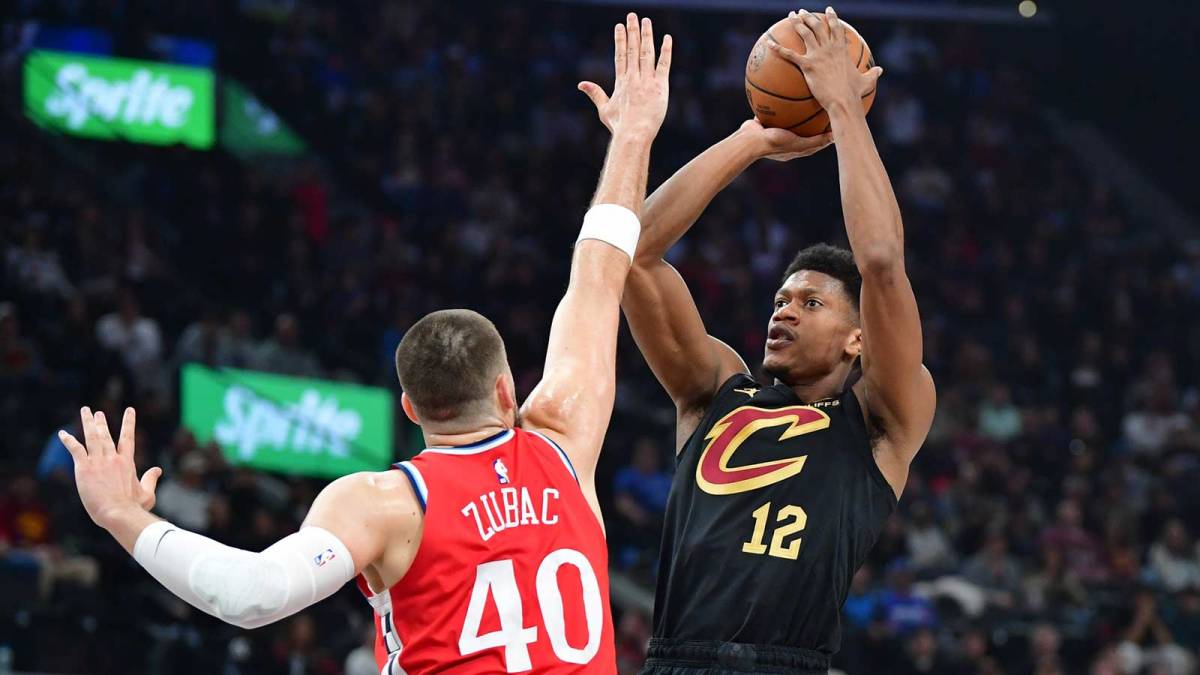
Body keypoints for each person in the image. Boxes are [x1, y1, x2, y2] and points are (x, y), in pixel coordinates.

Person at [57, 13, 673, 673]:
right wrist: (634, 134)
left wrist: (122, 515)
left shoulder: (384, 502)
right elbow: (599, 272)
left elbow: (250, 593)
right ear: (506, 388)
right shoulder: (565, 441)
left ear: (408, 407)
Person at [597, 7, 936, 673]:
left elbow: (882, 264)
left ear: (856, 339)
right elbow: (632, 254)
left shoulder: (879, 419)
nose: (784, 312)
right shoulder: (716, 389)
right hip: (675, 660)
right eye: (782, 299)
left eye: (811, 303)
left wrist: (844, 111)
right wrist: (751, 140)